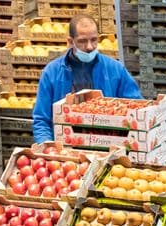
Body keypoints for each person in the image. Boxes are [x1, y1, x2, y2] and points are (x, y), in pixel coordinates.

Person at [32, 14, 141, 143]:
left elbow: (136, 107)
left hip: (108, 146)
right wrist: (49, 148)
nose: (89, 47)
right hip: (67, 148)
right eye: (83, 41)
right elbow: (41, 120)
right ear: (70, 42)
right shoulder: (52, 73)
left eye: (94, 40)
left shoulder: (115, 69)